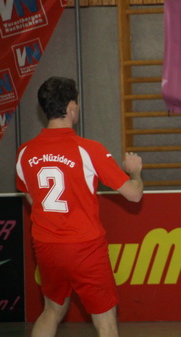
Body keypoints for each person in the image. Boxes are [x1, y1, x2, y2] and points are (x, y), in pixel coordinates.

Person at [15, 77, 144, 337]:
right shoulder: (89, 149)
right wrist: (135, 172)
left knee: (51, 311)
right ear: (71, 106)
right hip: (85, 248)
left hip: (46, 246)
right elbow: (134, 196)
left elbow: (31, 197)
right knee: (105, 322)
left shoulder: (24, 152)